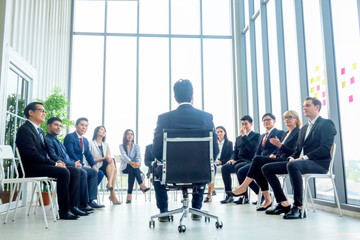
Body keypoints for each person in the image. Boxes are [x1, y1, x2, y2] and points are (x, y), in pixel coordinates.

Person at [152, 79, 219, 222]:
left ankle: (163, 211)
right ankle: (197, 208)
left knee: (154, 168)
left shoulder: (164, 118)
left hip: (171, 172)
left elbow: (156, 151)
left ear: (175, 97)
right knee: (203, 164)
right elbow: (215, 150)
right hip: (201, 171)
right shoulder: (206, 117)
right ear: (192, 96)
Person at [262, 97, 337, 219]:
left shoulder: (326, 124)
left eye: (307, 105)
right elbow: (297, 150)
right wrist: (292, 157)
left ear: (317, 107)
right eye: (303, 106)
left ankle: (298, 207)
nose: (304, 108)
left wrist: (303, 158)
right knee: (267, 168)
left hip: (319, 163)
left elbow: (325, 148)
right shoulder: (304, 128)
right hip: (299, 163)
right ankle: (283, 203)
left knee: (293, 165)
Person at [16, 102, 81, 220]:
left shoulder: (40, 131)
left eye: (45, 111)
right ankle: (64, 211)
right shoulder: (24, 130)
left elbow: (49, 153)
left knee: (74, 171)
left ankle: (73, 206)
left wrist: (60, 162)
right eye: (41, 110)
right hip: (29, 167)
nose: (44, 113)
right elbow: (31, 154)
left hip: (41, 165)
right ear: (30, 112)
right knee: (64, 173)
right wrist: (55, 164)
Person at [230, 110, 300, 211]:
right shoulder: (267, 135)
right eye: (264, 120)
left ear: (274, 121)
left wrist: (276, 152)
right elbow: (257, 151)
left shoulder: (281, 133)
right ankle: (267, 199)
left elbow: (287, 149)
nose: (266, 122)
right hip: (265, 160)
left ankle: (244, 187)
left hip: (279, 160)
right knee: (252, 166)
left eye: (268, 119)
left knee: (258, 164)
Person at [46, 117, 92, 216]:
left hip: (65, 164)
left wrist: (75, 163)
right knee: (78, 171)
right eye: (56, 125)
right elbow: (54, 156)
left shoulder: (58, 141)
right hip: (56, 166)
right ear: (48, 126)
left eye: (60, 126)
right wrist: (73, 164)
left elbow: (66, 156)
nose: (59, 128)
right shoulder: (48, 139)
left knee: (80, 171)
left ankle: (75, 205)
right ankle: (73, 206)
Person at [64, 118, 105, 209]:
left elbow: (88, 155)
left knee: (99, 172)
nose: (84, 127)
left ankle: (89, 200)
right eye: (82, 125)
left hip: (80, 165)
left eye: (86, 126)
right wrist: (83, 164)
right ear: (76, 126)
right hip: (72, 164)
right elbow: (70, 153)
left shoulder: (85, 140)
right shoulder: (70, 137)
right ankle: (85, 202)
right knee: (90, 172)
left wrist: (94, 166)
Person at [220, 115, 260, 204]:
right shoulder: (238, 138)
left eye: (246, 124)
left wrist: (244, 136)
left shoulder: (256, 136)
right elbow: (235, 152)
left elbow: (252, 149)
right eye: (242, 124)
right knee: (225, 167)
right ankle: (229, 195)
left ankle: (245, 196)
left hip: (249, 161)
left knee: (239, 167)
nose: (244, 126)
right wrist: (232, 159)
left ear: (251, 124)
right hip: (238, 161)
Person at [89, 126, 120, 204]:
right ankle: (112, 194)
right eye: (102, 129)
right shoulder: (91, 143)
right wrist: (103, 158)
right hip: (95, 166)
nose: (104, 131)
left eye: (105, 130)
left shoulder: (106, 144)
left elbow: (108, 157)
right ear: (96, 132)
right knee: (114, 170)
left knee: (112, 161)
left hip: (106, 167)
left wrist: (107, 158)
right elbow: (90, 160)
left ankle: (109, 184)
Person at [119, 129, 150, 204]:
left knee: (132, 170)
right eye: (128, 134)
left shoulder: (136, 146)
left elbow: (138, 156)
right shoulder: (121, 146)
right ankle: (141, 184)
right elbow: (124, 156)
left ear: (133, 136)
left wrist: (138, 162)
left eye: (131, 134)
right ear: (125, 136)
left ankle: (129, 195)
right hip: (125, 167)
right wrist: (131, 162)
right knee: (132, 168)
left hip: (133, 167)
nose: (130, 136)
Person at [204, 126, 233, 203]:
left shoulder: (229, 144)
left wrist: (221, 162)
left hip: (223, 164)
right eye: (217, 132)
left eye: (221, 131)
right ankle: (209, 194)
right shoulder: (212, 143)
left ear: (225, 133)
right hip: (213, 163)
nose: (219, 133)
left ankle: (229, 195)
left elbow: (230, 157)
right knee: (210, 169)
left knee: (220, 169)